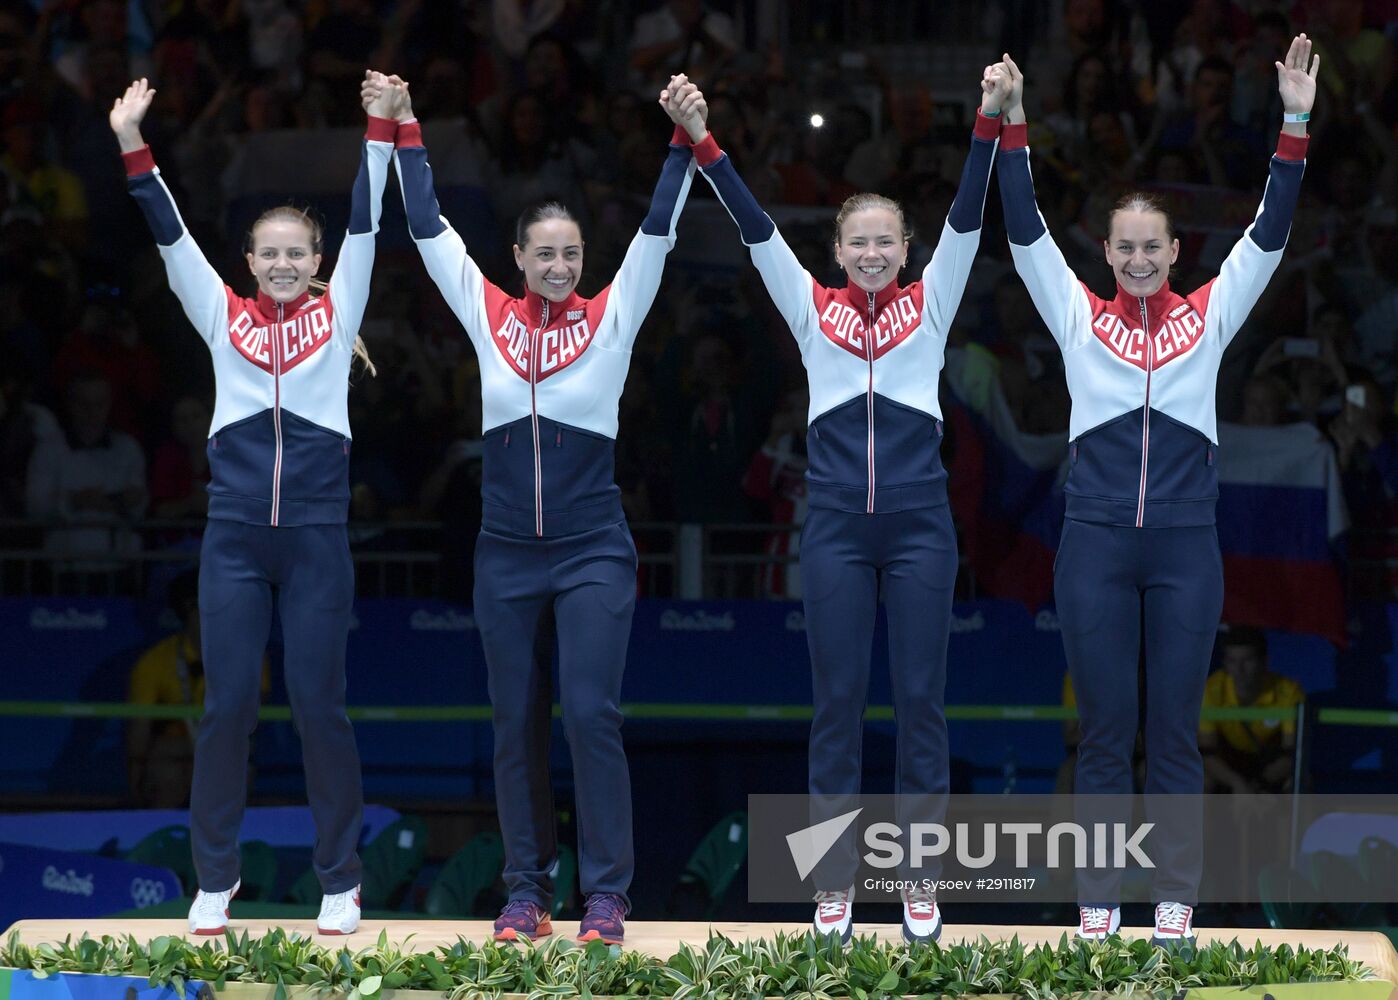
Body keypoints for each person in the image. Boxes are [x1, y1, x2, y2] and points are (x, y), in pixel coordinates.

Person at [663, 64, 1007, 943]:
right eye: (858, 241)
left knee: (922, 701)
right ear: (838, 251)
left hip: (923, 529)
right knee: (837, 704)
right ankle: (833, 883)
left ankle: (921, 877)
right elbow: (753, 226)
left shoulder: (931, 306)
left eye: (886, 240)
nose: (872, 253)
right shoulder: (811, 311)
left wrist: (988, 124)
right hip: (837, 535)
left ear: (906, 248)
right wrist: (702, 139)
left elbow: (969, 216)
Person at [995, 37, 1318, 945]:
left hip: (1184, 546)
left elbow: (1269, 234)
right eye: (1124, 247)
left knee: (1175, 731)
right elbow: (1022, 230)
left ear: (1176, 252)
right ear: (1104, 251)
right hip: (1094, 542)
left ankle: (1174, 897)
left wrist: (1294, 121)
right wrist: (1015, 121)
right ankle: (1100, 900)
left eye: (1153, 247)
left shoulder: (1210, 316)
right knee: (1105, 733)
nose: (1138, 260)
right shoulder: (1076, 317)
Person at [378, 69, 696, 946]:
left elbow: (659, 230)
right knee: (514, 723)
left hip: (594, 548)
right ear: (517, 257)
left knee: (591, 714)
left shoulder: (614, 317)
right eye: (543, 253)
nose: (560, 265)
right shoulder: (488, 315)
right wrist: (407, 125)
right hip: (506, 554)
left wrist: (682, 137)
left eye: (571, 253)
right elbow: (430, 228)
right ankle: (526, 891)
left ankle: (607, 897)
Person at [110, 72, 398, 937]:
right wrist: (131, 138)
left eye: (295, 253)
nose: (281, 263)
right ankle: (215, 878)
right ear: (249, 262)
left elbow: (367, 217)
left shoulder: (341, 307)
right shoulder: (220, 315)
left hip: (314, 542)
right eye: (267, 252)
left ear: (316, 264)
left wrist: (379, 127)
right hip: (234, 541)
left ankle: (340, 880)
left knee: (320, 707)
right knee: (226, 707)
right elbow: (167, 230)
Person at [1199, 625, 1303, 794]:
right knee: (1202, 781)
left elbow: (1292, 755)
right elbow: (1207, 753)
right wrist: (1238, 783)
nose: (1239, 670)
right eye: (1232, 661)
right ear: (1225, 663)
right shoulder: (1210, 691)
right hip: (1229, 766)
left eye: (1247, 660)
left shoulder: (1289, 692)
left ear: (1264, 661)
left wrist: (1258, 786)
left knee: (1297, 782)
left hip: (1269, 768)